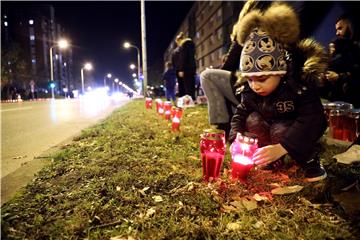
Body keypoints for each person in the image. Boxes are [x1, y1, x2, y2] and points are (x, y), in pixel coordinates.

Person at [229, 1, 328, 182]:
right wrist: (236, 139)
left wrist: (283, 147)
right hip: (271, 127)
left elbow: (312, 119)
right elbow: (240, 115)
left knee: (280, 129)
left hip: (295, 131)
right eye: (250, 79)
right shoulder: (251, 91)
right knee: (253, 119)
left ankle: (309, 160)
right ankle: (269, 159)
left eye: (262, 79)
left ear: (280, 73)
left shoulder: (298, 84)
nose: (255, 86)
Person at [200, 1, 269, 139]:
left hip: (248, 87)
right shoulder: (272, 31)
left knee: (207, 76)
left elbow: (229, 65)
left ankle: (223, 123)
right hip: (266, 88)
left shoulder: (247, 31)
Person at [323, 15, 360, 107]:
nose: (337, 33)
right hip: (338, 101)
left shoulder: (357, 48)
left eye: (340, 28)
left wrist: (339, 76)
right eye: (336, 30)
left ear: (350, 27)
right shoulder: (338, 49)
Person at [171, 32, 197, 100]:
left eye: (177, 42)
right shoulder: (192, 44)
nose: (178, 44)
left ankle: (186, 100)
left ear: (179, 40)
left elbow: (183, 57)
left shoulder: (183, 46)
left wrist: (181, 69)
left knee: (185, 85)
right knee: (191, 84)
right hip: (192, 67)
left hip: (184, 69)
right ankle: (193, 99)